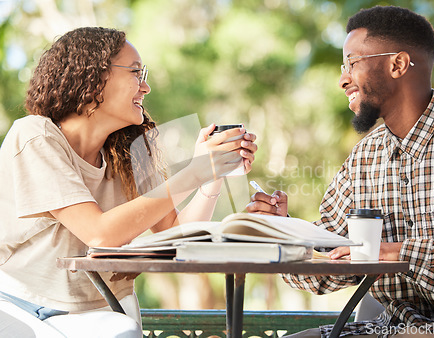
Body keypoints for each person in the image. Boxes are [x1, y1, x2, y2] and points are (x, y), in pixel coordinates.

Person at [247, 5, 434, 338]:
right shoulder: (363, 158)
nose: (342, 79)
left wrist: (400, 253)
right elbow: (324, 270)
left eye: (352, 63)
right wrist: (285, 232)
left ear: (397, 64)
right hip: (385, 330)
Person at [0, 27, 257, 337]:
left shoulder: (129, 151)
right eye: (136, 72)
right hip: (25, 310)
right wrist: (195, 170)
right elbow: (100, 233)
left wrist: (210, 178)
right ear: (93, 76)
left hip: (106, 311)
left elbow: (177, 238)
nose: (145, 87)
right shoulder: (34, 136)